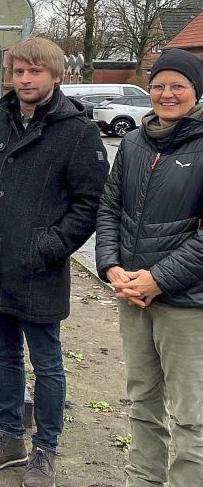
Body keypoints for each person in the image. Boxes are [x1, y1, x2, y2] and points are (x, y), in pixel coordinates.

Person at [0, 37, 108, 487]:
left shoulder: (77, 131)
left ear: (56, 76)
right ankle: (8, 439)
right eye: (19, 71)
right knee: (3, 354)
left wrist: (47, 247)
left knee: (46, 362)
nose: (25, 79)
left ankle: (45, 449)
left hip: (39, 269)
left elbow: (90, 204)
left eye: (35, 72)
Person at [95, 48, 203, 487]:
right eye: (158, 85)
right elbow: (109, 207)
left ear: (196, 91)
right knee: (142, 403)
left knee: (192, 417)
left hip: (188, 304)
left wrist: (159, 278)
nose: (166, 93)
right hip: (134, 297)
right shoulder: (137, 142)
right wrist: (110, 266)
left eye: (178, 85)